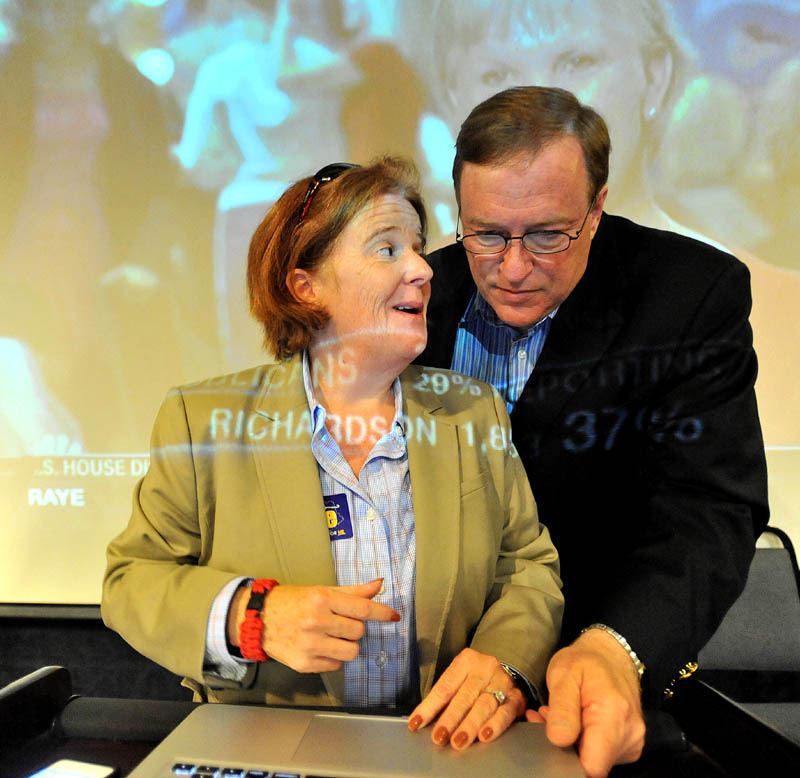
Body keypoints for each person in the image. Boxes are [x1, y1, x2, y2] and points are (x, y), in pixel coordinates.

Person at [102, 157, 563, 751]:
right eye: (387, 249)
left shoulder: (472, 411)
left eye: (419, 249)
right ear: (305, 285)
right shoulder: (202, 420)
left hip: (444, 748)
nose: (423, 270)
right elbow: (131, 581)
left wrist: (505, 659)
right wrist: (255, 616)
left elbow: (527, 564)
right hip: (265, 748)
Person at [416, 87, 769, 777]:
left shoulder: (688, 295)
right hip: (424, 697)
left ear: (597, 207)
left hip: (586, 693)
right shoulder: (414, 292)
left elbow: (708, 508)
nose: (513, 268)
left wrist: (617, 646)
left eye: (548, 235)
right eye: (486, 233)